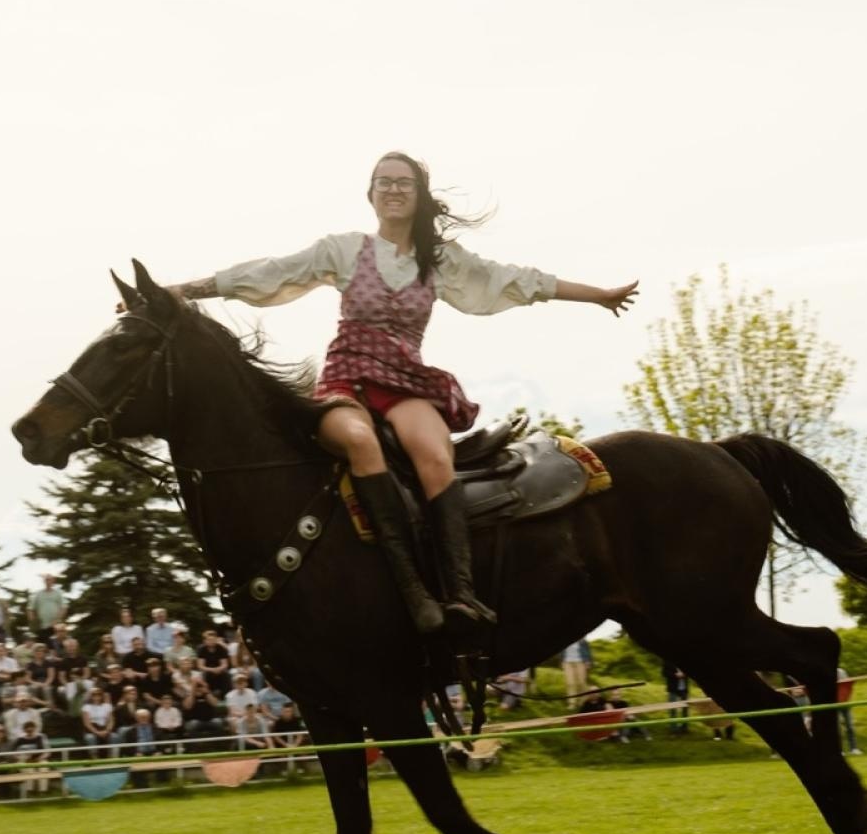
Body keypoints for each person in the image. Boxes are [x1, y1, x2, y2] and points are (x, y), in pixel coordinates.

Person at [167, 151, 639, 635]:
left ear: (419, 197)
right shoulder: (345, 249)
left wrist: (597, 295)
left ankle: (460, 594)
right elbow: (269, 271)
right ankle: (414, 592)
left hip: (406, 381)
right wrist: (184, 290)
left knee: (435, 457)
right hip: (346, 378)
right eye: (383, 182)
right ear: (371, 194)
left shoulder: (440, 261)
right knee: (360, 442)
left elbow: (516, 280)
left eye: (403, 183)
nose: (393, 189)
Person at [12, 720, 53, 794]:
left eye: (31, 728)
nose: (29, 730)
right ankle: (29, 790)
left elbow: (48, 751)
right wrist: (22, 759)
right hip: (24, 761)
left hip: (39, 759)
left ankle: (43, 791)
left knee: (44, 766)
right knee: (29, 769)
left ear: (35, 728)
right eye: (27, 728)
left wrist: (40, 758)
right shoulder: (19, 739)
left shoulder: (41, 737)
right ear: (24, 729)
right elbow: (13, 753)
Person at [27, 575, 68, 643]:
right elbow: (30, 609)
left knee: (58, 646)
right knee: (43, 647)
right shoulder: (38, 594)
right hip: (42, 627)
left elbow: (64, 607)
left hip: (57, 627)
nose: (48, 581)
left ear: (53, 581)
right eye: (46, 580)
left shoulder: (58, 593)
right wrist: (33, 623)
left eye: (50, 580)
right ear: (44, 581)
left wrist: (57, 620)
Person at [81, 687, 116, 757]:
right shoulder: (86, 707)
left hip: (105, 729)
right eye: (94, 695)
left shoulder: (107, 706)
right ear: (90, 696)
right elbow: (87, 723)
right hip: (91, 730)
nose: (96, 697)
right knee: (90, 738)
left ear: (101, 696)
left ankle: (113, 757)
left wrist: (107, 730)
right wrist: (97, 732)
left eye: (98, 694)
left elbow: (111, 721)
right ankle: (95, 758)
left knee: (115, 737)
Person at [562, 638, 593, 702]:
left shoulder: (582, 640)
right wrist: (562, 661)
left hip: (580, 662)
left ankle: (584, 701)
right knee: (570, 683)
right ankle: (572, 702)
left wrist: (588, 661)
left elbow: (587, 650)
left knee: (581, 683)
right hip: (567, 662)